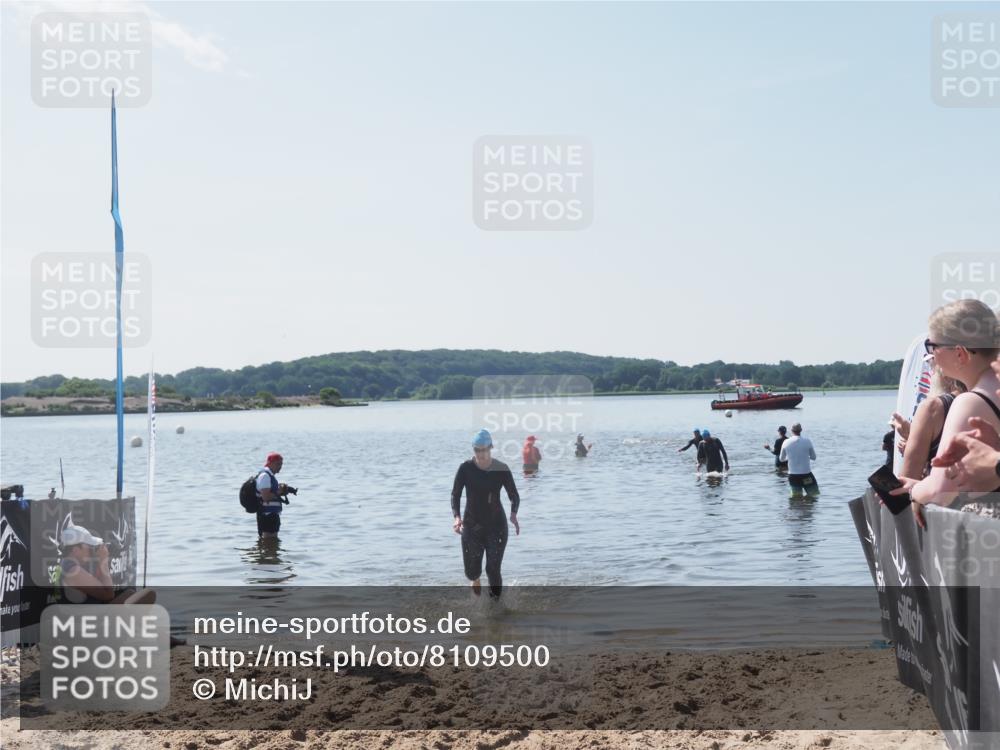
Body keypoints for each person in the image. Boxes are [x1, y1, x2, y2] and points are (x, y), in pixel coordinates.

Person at [893, 301, 1000, 524]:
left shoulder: (970, 402)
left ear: (960, 353)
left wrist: (914, 491)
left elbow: (941, 491)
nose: (932, 356)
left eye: (933, 346)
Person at [451, 429, 521, 598]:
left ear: (491, 447)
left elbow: (514, 495)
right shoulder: (465, 468)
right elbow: (455, 494)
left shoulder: (501, 469)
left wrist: (513, 514)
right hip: (471, 525)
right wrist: (457, 517)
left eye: (484, 449)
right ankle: (475, 579)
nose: (481, 454)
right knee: (471, 572)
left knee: (493, 569)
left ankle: (495, 608)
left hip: (496, 526)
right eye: (477, 450)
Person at [53, 525, 154, 605]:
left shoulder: (64, 565)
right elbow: (108, 594)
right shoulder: (73, 571)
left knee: (130, 595)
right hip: (82, 622)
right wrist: (103, 562)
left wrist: (100, 562)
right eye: (88, 546)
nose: (91, 549)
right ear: (75, 550)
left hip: (78, 616)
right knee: (147, 595)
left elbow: (98, 587)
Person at [256, 452, 292, 539]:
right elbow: (266, 497)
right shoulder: (265, 476)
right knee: (269, 540)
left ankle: (265, 552)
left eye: (281, 464)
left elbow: (271, 493)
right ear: (270, 463)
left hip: (271, 514)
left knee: (271, 545)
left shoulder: (269, 476)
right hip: (267, 515)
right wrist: (279, 492)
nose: (280, 466)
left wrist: (282, 492)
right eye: (278, 464)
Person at [779, 423, 819, 497]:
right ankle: (808, 507)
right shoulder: (807, 441)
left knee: (796, 498)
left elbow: (781, 459)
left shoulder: (786, 442)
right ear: (801, 430)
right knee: (814, 495)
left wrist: (790, 457)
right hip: (806, 475)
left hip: (793, 476)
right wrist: (804, 456)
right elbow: (814, 457)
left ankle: (797, 508)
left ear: (791, 430)